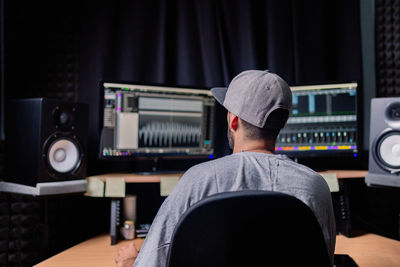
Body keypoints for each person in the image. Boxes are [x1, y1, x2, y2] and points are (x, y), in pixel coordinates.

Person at [115, 70, 336, 267]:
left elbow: (151, 262)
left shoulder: (198, 180)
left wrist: (129, 262)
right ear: (281, 124)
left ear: (233, 121)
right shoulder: (314, 185)